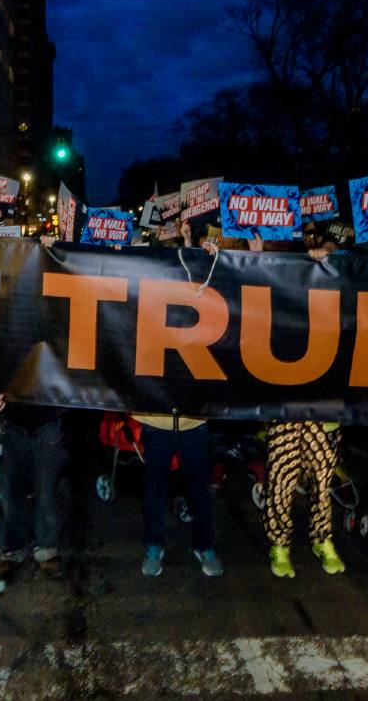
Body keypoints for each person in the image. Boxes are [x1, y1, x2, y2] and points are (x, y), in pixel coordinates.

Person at [135, 230, 222, 578]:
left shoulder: (197, 299)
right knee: (154, 489)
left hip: (193, 419)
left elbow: (213, 280)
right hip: (156, 418)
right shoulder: (147, 297)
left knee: (199, 488)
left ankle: (205, 545)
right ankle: (153, 545)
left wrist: (206, 253)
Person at [262, 237, 344, 578]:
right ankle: (279, 545)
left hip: (324, 409)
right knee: (281, 478)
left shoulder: (340, 301)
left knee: (323, 480)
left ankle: (322, 539)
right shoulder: (284, 298)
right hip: (285, 407)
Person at [0, 392, 66, 580]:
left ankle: (46, 548)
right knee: (11, 491)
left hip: (49, 417)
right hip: (12, 419)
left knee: (46, 489)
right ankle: (13, 549)